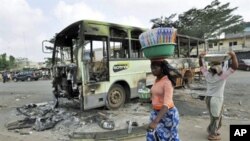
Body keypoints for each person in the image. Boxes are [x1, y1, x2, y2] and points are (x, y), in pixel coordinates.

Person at [199, 51, 238, 140]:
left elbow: (201, 67)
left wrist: (200, 58)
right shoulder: (222, 76)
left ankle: (213, 130)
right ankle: (212, 134)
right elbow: (235, 67)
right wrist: (233, 56)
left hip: (208, 98)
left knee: (215, 116)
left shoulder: (208, 75)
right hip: (216, 99)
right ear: (219, 68)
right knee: (216, 117)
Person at [147, 59, 180, 141]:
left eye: (155, 68)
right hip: (156, 112)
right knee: (151, 135)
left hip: (168, 114)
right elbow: (157, 95)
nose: (152, 70)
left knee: (169, 138)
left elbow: (167, 104)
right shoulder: (157, 80)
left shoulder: (167, 82)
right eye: (151, 68)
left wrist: (155, 122)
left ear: (162, 68)